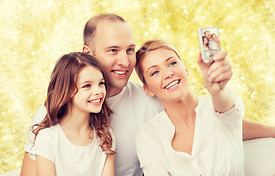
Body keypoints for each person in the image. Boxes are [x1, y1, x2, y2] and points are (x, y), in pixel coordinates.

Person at [21, 13, 275, 176]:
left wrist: (270, 129)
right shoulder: (56, 109)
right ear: (88, 52)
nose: (124, 60)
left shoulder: (149, 100)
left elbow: (214, 122)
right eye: (112, 50)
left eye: (130, 49)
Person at [135, 40, 244, 175]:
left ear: (185, 69)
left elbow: (227, 107)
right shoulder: (148, 133)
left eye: (172, 63)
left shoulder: (218, 109)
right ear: (148, 89)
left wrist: (217, 90)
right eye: (154, 72)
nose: (168, 73)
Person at [28, 52, 115, 176]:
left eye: (101, 83)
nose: (98, 91)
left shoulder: (105, 136)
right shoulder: (48, 138)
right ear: (67, 91)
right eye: (87, 86)